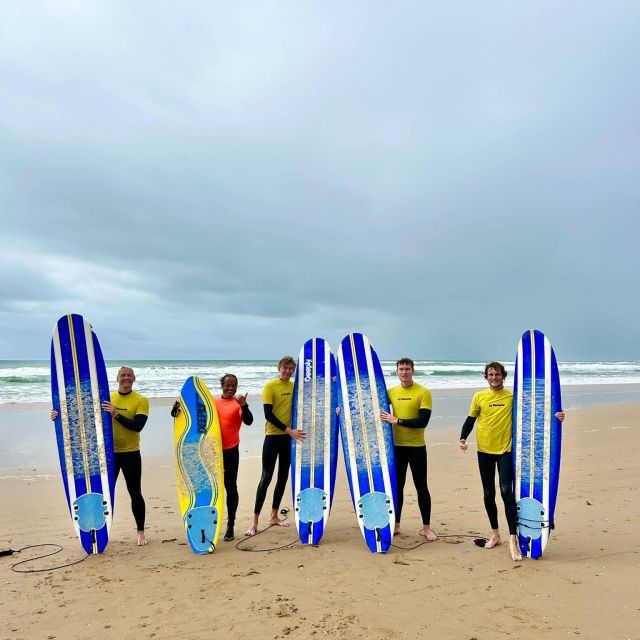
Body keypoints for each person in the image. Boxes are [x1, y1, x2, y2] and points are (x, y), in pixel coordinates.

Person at [459, 362, 565, 561]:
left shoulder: (512, 397)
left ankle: (512, 538)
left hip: (505, 452)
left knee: (507, 493)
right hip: (484, 452)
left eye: (497, 374)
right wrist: (462, 438)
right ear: (486, 377)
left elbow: (535, 413)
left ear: (503, 376)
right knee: (488, 494)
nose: (494, 377)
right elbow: (470, 419)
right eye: (490, 374)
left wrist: (557, 415)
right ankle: (495, 534)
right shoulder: (479, 397)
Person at [53, 365, 150, 546]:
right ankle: (98, 530)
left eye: (129, 375)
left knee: (135, 493)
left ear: (134, 378)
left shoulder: (141, 400)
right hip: (107, 455)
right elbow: (85, 414)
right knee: (103, 494)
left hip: (131, 454)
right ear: (117, 378)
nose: (126, 378)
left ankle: (141, 533)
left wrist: (116, 414)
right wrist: (58, 416)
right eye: (123, 375)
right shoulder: (107, 397)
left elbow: (138, 426)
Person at [171, 373, 254, 542]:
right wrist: (178, 409)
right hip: (211, 451)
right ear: (221, 386)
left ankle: (230, 525)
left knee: (230, 487)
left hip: (230, 451)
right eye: (227, 385)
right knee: (209, 487)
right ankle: (208, 522)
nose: (230, 389)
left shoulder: (237, 405)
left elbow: (249, 421)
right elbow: (194, 419)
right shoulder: (212, 403)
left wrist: (244, 406)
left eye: (234, 386)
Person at [244, 356, 305, 537]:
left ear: (294, 371)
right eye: (285, 368)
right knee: (266, 478)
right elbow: (268, 414)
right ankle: (254, 522)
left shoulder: (294, 388)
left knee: (283, 477)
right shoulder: (270, 386)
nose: (287, 371)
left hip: (288, 439)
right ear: (279, 368)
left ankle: (274, 516)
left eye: (291, 369)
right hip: (273, 437)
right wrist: (289, 430)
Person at [380, 358, 437, 541]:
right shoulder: (391, 392)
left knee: (421, 486)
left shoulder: (423, 392)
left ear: (413, 370)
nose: (404, 372)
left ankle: (427, 528)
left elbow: (423, 422)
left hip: (416, 448)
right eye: (401, 369)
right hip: (396, 448)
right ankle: (396, 525)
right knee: (398, 487)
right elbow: (371, 404)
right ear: (396, 371)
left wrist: (397, 421)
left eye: (407, 369)